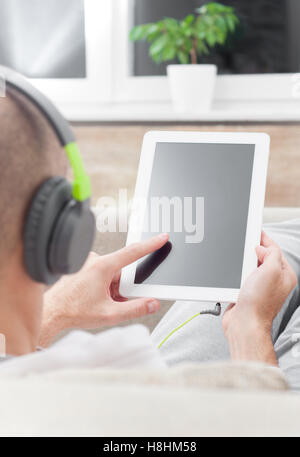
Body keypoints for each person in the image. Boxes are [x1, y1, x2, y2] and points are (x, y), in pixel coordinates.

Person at [1, 88, 299, 391]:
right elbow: (268, 428)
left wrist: (54, 311)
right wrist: (250, 328)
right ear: (62, 234)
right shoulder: (117, 376)